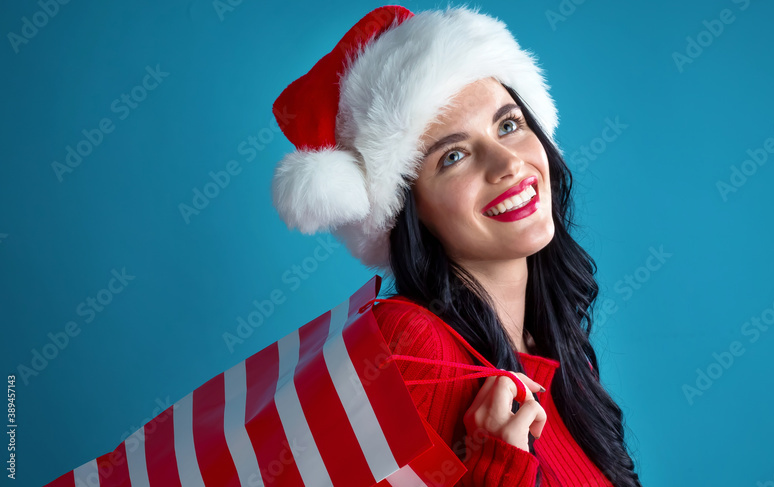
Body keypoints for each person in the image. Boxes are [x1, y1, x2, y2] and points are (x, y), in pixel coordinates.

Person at [270, 5, 642, 486]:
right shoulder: (413, 348)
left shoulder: (560, 352)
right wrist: (497, 470)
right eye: (454, 155)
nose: (506, 162)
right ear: (410, 210)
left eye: (508, 125)